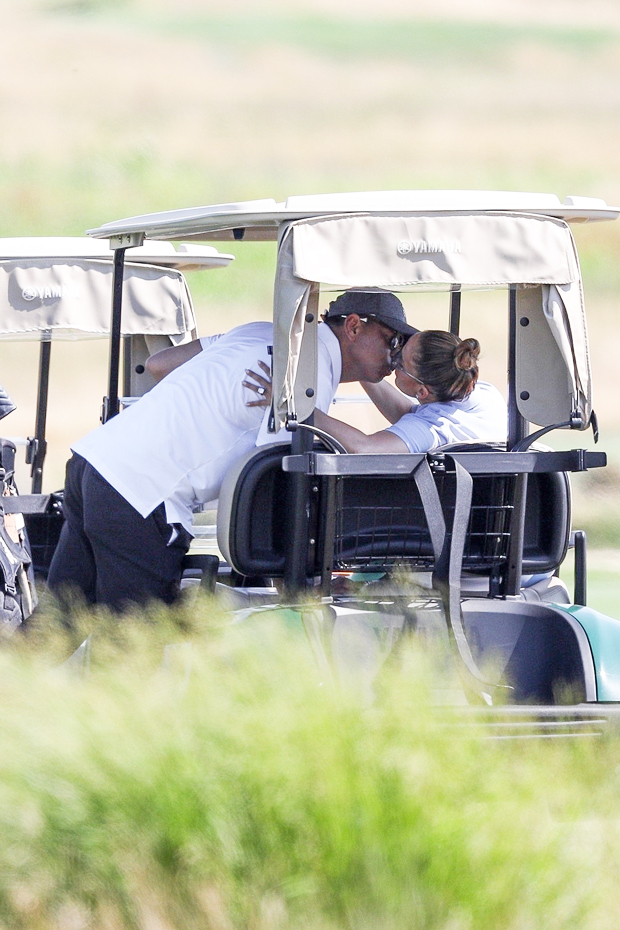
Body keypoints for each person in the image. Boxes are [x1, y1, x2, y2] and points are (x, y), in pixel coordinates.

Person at [47, 291, 417, 611]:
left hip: (97, 461)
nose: (396, 356)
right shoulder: (306, 371)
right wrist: (294, 585)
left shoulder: (262, 332)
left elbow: (160, 365)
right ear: (353, 327)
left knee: (60, 621)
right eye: (392, 341)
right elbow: (275, 490)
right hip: (142, 491)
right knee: (134, 642)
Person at [245, 329, 507, 453]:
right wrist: (362, 365)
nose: (392, 359)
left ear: (423, 391)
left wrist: (296, 407)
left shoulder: (432, 431)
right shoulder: (484, 394)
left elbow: (364, 447)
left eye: (400, 363)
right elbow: (408, 414)